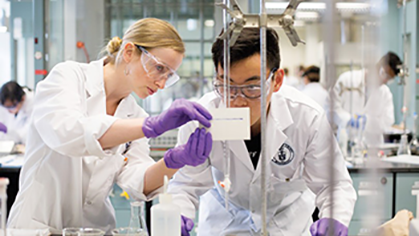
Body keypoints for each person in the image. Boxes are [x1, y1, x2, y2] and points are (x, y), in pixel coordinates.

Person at [7, 18, 213, 234]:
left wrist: (174, 161)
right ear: (129, 52)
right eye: (159, 68)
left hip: (95, 229)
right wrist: (150, 126)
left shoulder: (135, 116)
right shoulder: (69, 77)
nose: (161, 84)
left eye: (169, 76)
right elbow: (67, 133)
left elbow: (137, 180)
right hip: (38, 226)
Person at [168, 27, 356, 236]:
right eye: (227, 86)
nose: (237, 101)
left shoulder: (306, 117)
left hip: (286, 227)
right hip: (225, 225)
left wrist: (334, 217)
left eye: (252, 88)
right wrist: (178, 214)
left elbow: (334, 184)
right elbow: (185, 184)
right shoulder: (201, 120)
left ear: (276, 81)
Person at [330, 52, 402, 145]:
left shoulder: (385, 93)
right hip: (346, 141)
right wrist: (347, 120)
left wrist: (367, 121)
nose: (385, 81)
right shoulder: (347, 79)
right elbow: (331, 107)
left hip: (372, 146)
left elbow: (387, 122)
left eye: (389, 79)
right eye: (384, 75)